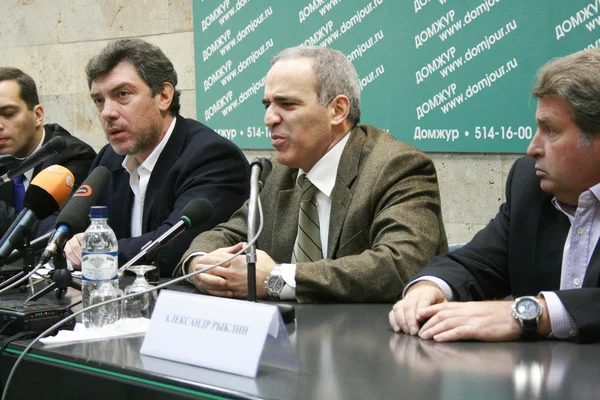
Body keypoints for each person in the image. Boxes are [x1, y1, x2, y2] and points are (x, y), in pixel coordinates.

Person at [177, 46, 447, 303]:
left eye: (287, 104)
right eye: (267, 105)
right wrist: (199, 263)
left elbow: (400, 265)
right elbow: (229, 233)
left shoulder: (397, 166)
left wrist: (277, 279)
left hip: (375, 339)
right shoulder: (278, 172)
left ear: (337, 110)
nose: (269, 119)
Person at [389, 48, 600, 344]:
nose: (532, 148)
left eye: (550, 130)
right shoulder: (529, 183)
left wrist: (533, 314)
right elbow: (476, 262)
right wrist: (429, 288)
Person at [64, 39, 250, 276]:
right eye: (99, 100)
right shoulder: (109, 160)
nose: (107, 113)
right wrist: (71, 245)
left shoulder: (212, 157)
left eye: (122, 94)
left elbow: (174, 249)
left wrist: (96, 251)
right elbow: (72, 228)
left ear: (163, 95)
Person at [0, 67, 96, 237]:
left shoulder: (75, 156)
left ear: (38, 115)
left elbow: (47, 233)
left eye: (8, 114)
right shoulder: (4, 158)